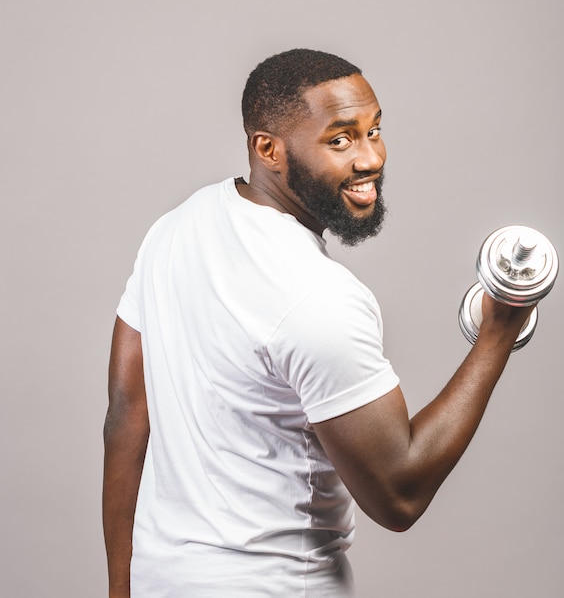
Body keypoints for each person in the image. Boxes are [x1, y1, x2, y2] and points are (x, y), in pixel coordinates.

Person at [103, 49, 534, 597]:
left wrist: (122, 587)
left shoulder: (173, 230)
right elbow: (399, 494)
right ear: (268, 149)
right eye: (341, 140)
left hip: (160, 582)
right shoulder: (317, 296)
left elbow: (124, 416)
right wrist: (498, 333)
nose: (370, 158)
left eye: (374, 130)